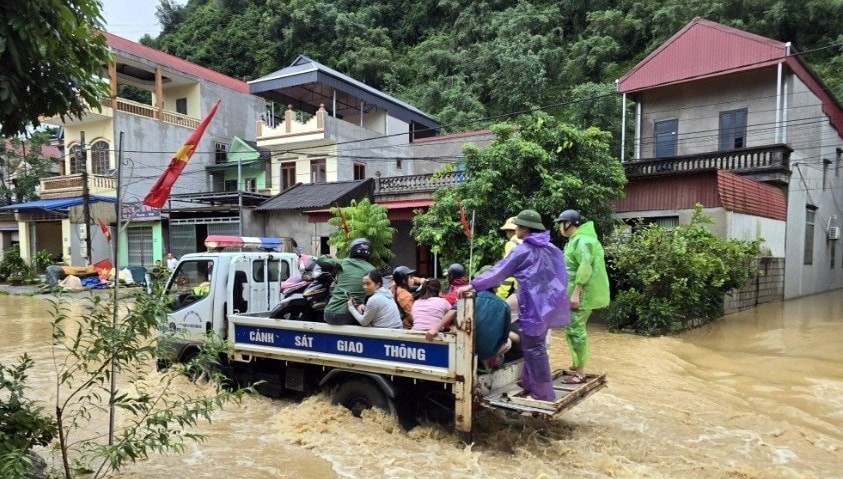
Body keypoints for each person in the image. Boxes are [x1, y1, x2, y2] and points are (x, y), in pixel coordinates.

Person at [455, 209, 569, 401]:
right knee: (534, 346)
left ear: (525, 229)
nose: (515, 229)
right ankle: (530, 384)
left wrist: (472, 285)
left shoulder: (522, 250)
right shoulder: (551, 248)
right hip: (548, 305)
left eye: (517, 226)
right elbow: (562, 276)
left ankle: (542, 394)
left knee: (535, 349)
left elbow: (498, 272)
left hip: (533, 306)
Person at [556, 209, 611, 384]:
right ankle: (577, 364)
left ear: (568, 224)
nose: (559, 227)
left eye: (560, 223)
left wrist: (576, 293)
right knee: (572, 330)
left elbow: (585, 267)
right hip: (576, 293)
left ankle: (579, 373)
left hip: (581, 295)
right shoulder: (575, 240)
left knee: (576, 331)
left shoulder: (582, 241)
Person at [426, 266, 514, 371]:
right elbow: (504, 336)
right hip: (487, 350)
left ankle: (483, 363)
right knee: (508, 342)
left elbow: (453, 311)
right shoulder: (504, 305)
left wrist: (435, 328)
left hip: (467, 347)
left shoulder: (470, 298)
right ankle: (486, 364)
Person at [316, 238, 375, 325]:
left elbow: (320, 260)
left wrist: (327, 256)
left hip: (328, 313)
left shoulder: (343, 262)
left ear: (352, 249)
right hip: (348, 315)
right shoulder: (372, 269)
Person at [495, 216, 522, 299]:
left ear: (511, 231)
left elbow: (508, 271)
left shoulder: (512, 244)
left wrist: (500, 296)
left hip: (522, 288)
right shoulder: (531, 242)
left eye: (506, 231)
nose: (506, 234)